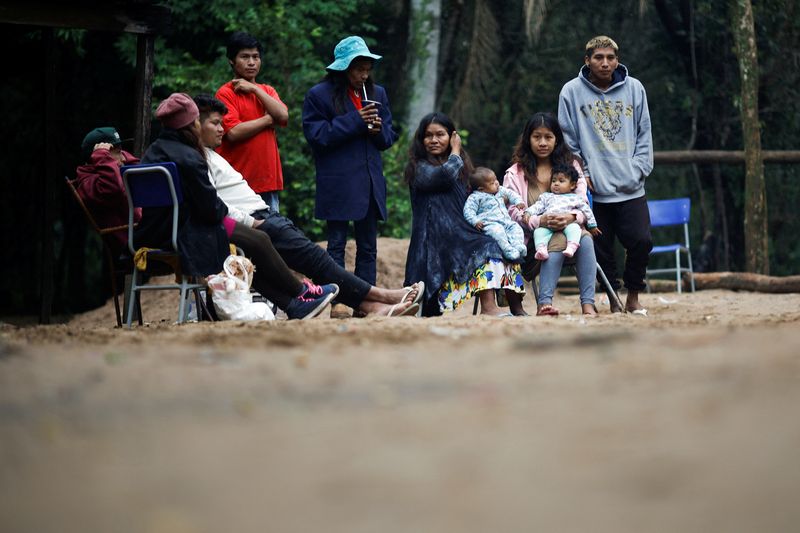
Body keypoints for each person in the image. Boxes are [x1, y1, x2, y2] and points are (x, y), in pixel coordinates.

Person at [193, 94, 422, 318]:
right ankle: (382, 296)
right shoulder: (197, 159)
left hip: (260, 216)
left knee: (317, 261)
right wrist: (252, 221)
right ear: (195, 124)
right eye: (215, 123)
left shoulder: (207, 153)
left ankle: (373, 307)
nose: (222, 128)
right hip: (254, 221)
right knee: (317, 261)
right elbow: (213, 204)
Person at [136, 92, 336, 320]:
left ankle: (293, 305)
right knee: (258, 239)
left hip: (153, 232)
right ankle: (300, 292)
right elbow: (211, 208)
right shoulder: (190, 158)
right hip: (184, 232)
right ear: (191, 124)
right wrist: (243, 219)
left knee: (249, 244)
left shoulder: (153, 152)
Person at [302, 35, 398, 317]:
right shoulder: (318, 95)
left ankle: (366, 303)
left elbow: (388, 137)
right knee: (336, 246)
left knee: (369, 247)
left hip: (369, 182)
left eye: (367, 68)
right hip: (339, 183)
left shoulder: (377, 93)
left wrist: (378, 129)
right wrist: (357, 121)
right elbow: (318, 136)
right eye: (358, 69)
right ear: (343, 69)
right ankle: (335, 301)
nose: (364, 74)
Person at [558, 35, 653, 315]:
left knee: (641, 241)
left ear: (617, 60)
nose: (605, 63)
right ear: (587, 60)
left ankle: (634, 295)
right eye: (598, 57)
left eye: (610, 57)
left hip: (630, 186)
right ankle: (613, 299)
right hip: (593, 189)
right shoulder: (571, 92)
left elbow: (644, 132)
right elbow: (569, 139)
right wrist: (581, 173)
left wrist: (639, 169)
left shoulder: (634, 89)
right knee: (601, 250)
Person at [404, 112, 526, 317]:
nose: (433, 140)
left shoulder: (462, 167)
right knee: (485, 245)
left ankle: (516, 306)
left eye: (440, 134)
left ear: (450, 135)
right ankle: (488, 309)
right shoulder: (419, 167)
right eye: (428, 135)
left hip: (461, 232)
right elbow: (444, 176)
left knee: (499, 239)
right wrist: (455, 150)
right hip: (435, 239)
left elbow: (478, 199)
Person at [504, 112, 598, 317]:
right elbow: (511, 212)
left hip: (572, 231)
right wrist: (539, 221)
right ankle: (544, 303)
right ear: (528, 139)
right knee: (560, 239)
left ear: (557, 140)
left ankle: (588, 304)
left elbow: (582, 201)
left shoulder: (572, 166)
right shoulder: (515, 173)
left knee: (587, 239)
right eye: (537, 137)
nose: (543, 142)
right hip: (532, 241)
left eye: (548, 137)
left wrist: (573, 218)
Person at [215, 32, 288, 213]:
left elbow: (283, 116)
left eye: (256, 57)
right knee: (245, 236)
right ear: (232, 61)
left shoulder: (267, 91)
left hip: (268, 180)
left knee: (274, 234)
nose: (251, 62)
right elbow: (233, 133)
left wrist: (255, 89)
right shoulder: (226, 93)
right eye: (244, 57)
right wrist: (267, 119)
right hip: (239, 181)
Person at [74, 127, 140, 253]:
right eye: (119, 152)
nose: (124, 158)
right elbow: (113, 189)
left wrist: (114, 158)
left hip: (143, 233)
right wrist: (102, 156)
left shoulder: (111, 171)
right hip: (132, 244)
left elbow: (139, 168)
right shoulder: (90, 183)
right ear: (100, 158)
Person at [524, 164, 600, 260]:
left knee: (575, 229)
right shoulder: (547, 197)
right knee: (538, 232)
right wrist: (528, 213)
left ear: (572, 185)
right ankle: (541, 249)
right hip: (549, 225)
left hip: (567, 224)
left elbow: (586, 210)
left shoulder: (575, 198)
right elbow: (537, 206)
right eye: (554, 180)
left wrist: (592, 225)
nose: (556, 184)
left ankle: (571, 247)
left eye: (561, 181)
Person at [463, 167, 528, 261]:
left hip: (506, 221)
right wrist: (475, 221)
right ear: (481, 189)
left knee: (516, 228)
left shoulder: (500, 190)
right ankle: (508, 250)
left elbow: (511, 194)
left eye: (496, 179)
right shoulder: (475, 197)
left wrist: (518, 201)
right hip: (490, 224)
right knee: (498, 232)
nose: (497, 183)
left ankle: (517, 246)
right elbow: (468, 210)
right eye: (492, 183)